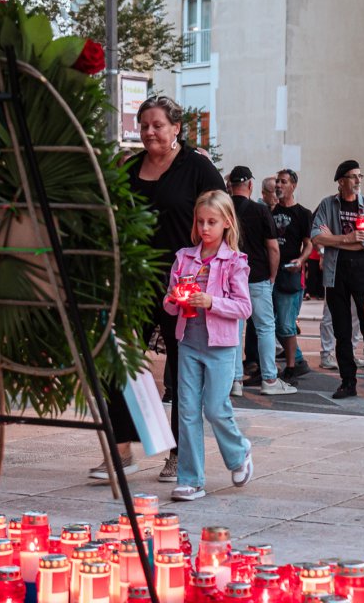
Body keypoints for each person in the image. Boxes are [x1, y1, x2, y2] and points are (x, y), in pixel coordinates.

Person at [93, 96, 225, 483]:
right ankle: (122, 449)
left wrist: (213, 271)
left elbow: (222, 218)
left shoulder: (197, 167)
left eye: (158, 125)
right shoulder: (130, 167)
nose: (149, 131)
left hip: (184, 282)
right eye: (144, 125)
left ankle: (178, 454)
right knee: (114, 357)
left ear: (176, 128)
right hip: (134, 280)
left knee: (182, 368)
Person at [164, 191, 254, 501]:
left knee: (215, 409)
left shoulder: (235, 262)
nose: (204, 228)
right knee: (187, 411)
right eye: (200, 221)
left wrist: (212, 302)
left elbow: (244, 308)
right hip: (188, 342)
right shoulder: (184, 257)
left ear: (227, 223)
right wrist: (175, 299)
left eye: (211, 222)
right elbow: (168, 301)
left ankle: (239, 452)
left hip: (221, 346)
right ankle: (190, 479)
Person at [311, 160, 364, 401]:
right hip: (335, 272)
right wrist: (346, 238)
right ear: (341, 181)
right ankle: (348, 383)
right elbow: (316, 238)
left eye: (360, 176)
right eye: (353, 176)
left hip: (362, 271)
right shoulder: (327, 204)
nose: (359, 180)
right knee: (342, 331)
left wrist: (333, 238)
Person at [229, 166, 295, 396]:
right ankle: (269, 380)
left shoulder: (223, 209)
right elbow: (273, 249)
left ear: (229, 185)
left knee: (234, 331)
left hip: (229, 280)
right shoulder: (260, 210)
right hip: (257, 277)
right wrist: (273, 275)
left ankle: (235, 381)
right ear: (250, 185)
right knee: (265, 328)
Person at [271, 169, 314, 383]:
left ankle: (291, 368)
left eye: (283, 182)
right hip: (269, 275)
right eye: (277, 181)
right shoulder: (269, 213)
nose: (278, 185)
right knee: (269, 324)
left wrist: (301, 260)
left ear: (293, 186)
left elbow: (309, 244)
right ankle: (271, 367)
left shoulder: (303, 213)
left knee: (286, 325)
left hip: (290, 274)